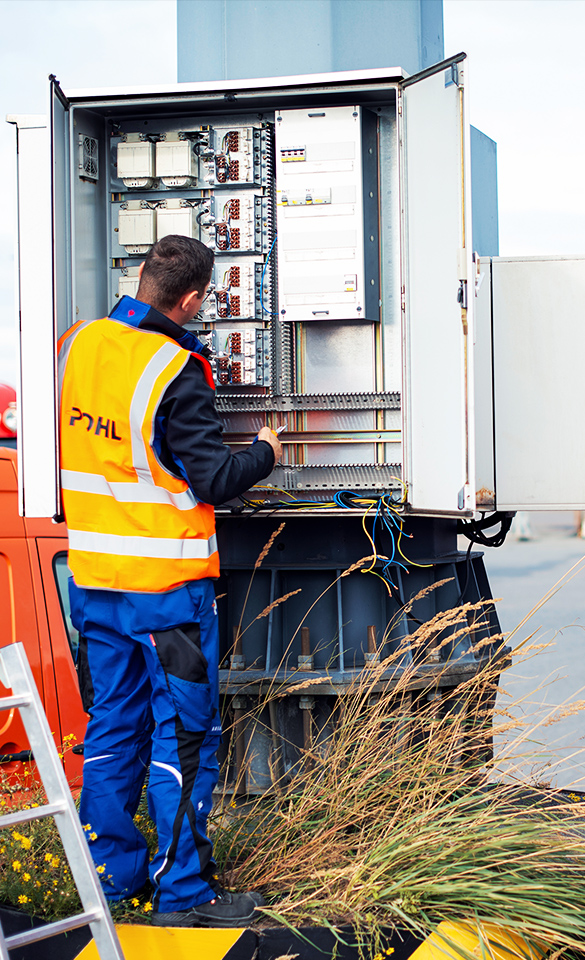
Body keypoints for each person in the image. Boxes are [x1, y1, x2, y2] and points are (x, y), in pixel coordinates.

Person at [57, 235, 282, 928]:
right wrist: (265, 453)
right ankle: (184, 893)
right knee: (183, 737)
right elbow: (213, 479)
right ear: (191, 300)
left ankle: (111, 883)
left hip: (96, 581)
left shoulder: (80, 344)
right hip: (166, 591)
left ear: (140, 277)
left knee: (113, 728)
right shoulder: (175, 368)